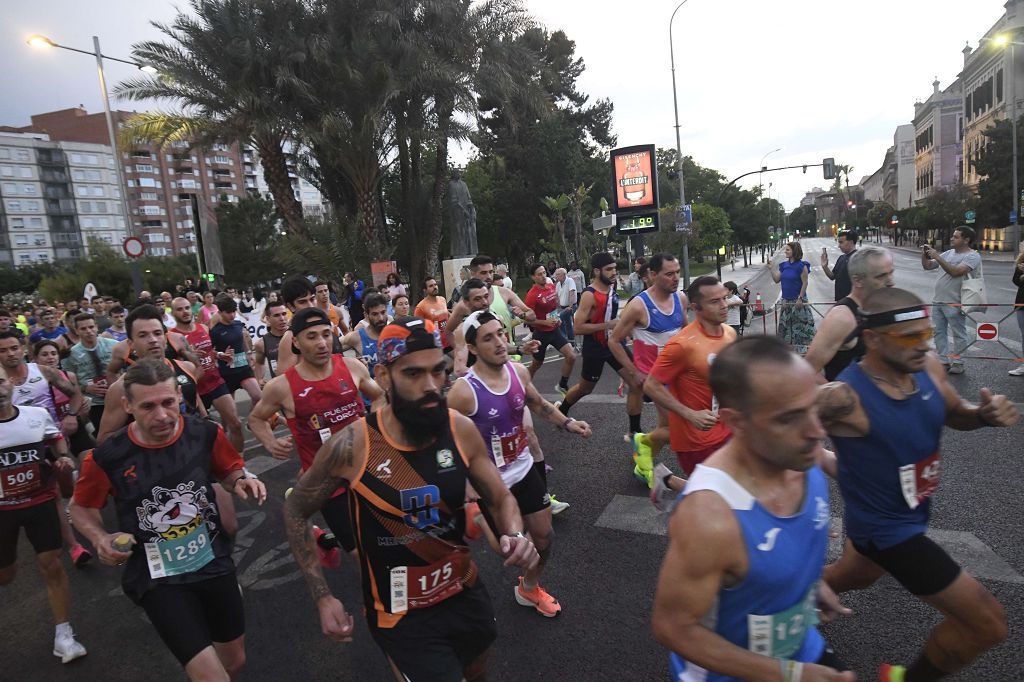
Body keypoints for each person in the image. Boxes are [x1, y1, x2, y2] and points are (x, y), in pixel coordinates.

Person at [282, 317, 539, 681]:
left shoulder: (459, 429)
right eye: (414, 374)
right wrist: (323, 596)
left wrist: (514, 533)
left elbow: (499, 497)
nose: (432, 386)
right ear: (384, 377)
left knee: (477, 669)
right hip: (399, 606)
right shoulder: (353, 445)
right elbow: (295, 510)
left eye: (439, 371)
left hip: (462, 587)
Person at [818, 287, 1018, 681]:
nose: (923, 345)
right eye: (909, 337)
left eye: (926, 334)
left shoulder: (926, 366)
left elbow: (955, 411)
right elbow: (781, 423)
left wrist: (983, 415)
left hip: (908, 513)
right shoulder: (846, 397)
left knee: (857, 574)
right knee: (987, 623)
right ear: (872, 339)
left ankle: (783, 597)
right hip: (888, 532)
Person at [651, 335, 854, 682]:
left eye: (812, 409)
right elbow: (674, 628)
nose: (816, 431)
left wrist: (809, 583)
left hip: (801, 649)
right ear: (736, 422)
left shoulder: (803, 457)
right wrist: (790, 674)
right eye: (789, 418)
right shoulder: (710, 517)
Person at [71, 360, 266, 680]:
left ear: (179, 395)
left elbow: (228, 471)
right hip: (157, 577)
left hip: (212, 561)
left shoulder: (204, 433)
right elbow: (80, 507)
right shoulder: (108, 456)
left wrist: (240, 481)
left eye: (167, 402)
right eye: (147, 406)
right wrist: (99, 537)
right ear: (127, 406)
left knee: (234, 662)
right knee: (212, 676)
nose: (161, 415)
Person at [449, 311, 592, 617]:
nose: (500, 342)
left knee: (544, 538)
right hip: (492, 483)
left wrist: (568, 423)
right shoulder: (464, 391)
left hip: (524, 468)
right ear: (472, 348)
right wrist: (464, 483)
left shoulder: (518, 372)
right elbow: (443, 440)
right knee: (516, 549)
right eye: (489, 338)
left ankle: (529, 587)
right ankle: (480, 521)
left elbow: (539, 404)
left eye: (501, 333)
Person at [249, 308, 384, 567]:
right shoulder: (283, 387)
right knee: (363, 557)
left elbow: (378, 397)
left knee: (386, 535)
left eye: (326, 334)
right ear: (296, 342)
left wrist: (374, 425)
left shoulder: (352, 368)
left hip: (367, 467)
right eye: (312, 336)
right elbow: (256, 418)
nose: (322, 343)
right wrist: (270, 442)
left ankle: (325, 540)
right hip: (327, 483)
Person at [0, 372, 88, 664]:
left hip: (39, 501)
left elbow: (56, 439)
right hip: (3, 511)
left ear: (10, 383)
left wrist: (62, 457)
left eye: (0, 381)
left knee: (51, 564)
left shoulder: (36, 415)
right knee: (6, 575)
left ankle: (64, 635)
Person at [644, 276, 737, 484]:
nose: (724, 306)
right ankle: (669, 483)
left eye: (724, 298)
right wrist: (690, 414)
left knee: (731, 494)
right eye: (715, 302)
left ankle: (667, 482)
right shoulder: (682, 345)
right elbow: (651, 385)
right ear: (696, 308)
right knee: (716, 499)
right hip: (696, 439)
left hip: (727, 429)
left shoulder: (730, 334)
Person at [609, 254, 688, 487]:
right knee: (677, 427)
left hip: (678, 374)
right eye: (669, 274)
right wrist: (634, 372)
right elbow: (614, 341)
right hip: (655, 377)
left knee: (667, 427)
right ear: (653, 275)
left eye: (677, 272)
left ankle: (643, 460)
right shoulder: (638, 305)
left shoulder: (680, 299)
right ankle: (643, 445)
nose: (676, 278)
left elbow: (684, 331)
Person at [557, 253, 643, 445]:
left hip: (614, 345)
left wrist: (623, 329)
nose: (613, 273)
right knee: (585, 389)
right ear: (597, 271)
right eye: (609, 269)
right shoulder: (589, 295)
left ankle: (635, 432)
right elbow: (578, 327)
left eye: (614, 268)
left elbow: (613, 318)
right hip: (595, 348)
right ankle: (561, 412)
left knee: (636, 383)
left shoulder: (612, 287)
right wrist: (608, 325)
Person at [805, 246, 895, 381]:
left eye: (891, 273)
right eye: (881, 276)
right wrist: (843, 396)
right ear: (857, 280)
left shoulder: (882, 308)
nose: (891, 282)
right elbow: (808, 371)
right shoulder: (842, 318)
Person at [168, 297, 246, 452]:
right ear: (173, 313)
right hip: (195, 389)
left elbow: (209, 350)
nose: (184, 312)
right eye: (179, 309)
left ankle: (238, 465)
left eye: (187, 308)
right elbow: (172, 365)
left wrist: (219, 355)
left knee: (236, 424)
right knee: (204, 436)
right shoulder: (172, 336)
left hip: (215, 381)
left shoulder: (203, 328)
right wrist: (187, 356)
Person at [921, 225, 981, 375]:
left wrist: (937, 256)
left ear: (966, 240)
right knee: (939, 332)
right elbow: (928, 266)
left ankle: (959, 362)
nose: (952, 238)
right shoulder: (948, 253)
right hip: (938, 300)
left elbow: (956, 272)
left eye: (956, 236)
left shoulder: (972, 256)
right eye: (953, 236)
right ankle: (943, 361)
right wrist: (925, 254)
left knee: (958, 333)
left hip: (956, 301)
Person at [523, 263, 577, 392]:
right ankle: (522, 385)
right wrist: (545, 322)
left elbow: (554, 308)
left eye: (544, 273)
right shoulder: (532, 295)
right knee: (536, 364)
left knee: (571, 356)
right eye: (539, 274)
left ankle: (562, 385)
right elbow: (528, 320)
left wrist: (556, 318)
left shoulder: (551, 286)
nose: (543, 276)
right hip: (541, 334)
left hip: (554, 331)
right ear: (533, 277)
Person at [61, 313, 118, 431]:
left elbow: (129, 371)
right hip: (93, 403)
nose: (88, 331)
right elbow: (68, 384)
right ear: (76, 331)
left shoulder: (114, 346)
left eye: (91, 327)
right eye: (83, 328)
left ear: (96, 327)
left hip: (117, 397)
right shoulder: (71, 354)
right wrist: (85, 388)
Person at [208, 294, 261, 407]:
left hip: (243, 368)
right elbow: (209, 351)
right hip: (227, 373)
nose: (232, 315)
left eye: (234, 312)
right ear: (221, 312)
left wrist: (249, 353)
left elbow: (242, 339)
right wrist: (220, 354)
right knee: (230, 411)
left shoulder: (238, 324)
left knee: (258, 397)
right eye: (228, 312)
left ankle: (252, 422)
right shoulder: (216, 331)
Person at [768, 241, 815, 354]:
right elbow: (776, 280)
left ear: (794, 251)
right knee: (786, 329)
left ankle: (803, 353)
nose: (786, 251)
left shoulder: (801, 266)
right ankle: (788, 353)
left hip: (798, 301)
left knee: (800, 330)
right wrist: (771, 268)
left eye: (788, 249)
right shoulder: (784, 265)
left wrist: (800, 298)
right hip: (786, 302)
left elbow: (805, 283)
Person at [340, 292, 389, 381]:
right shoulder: (357, 336)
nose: (381, 318)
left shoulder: (396, 333)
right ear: (366, 315)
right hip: (370, 393)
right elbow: (332, 347)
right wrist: (350, 365)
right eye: (375, 314)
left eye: (383, 312)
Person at [252, 299, 290, 384]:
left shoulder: (297, 336)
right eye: (276, 315)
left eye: (284, 314)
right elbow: (260, 364)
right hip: (280, 387)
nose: (282, 318)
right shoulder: (261, 344)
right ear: (268, 319)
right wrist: (259, 379)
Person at [414, 276, 452, 352]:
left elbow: (446, 314)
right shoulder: (421, 307)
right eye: (431, 286)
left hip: (449, 340)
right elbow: (417, 330)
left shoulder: (442, 299)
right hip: (435, 346)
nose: (435, 287)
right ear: (425, 290)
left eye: (435, 284)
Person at [820, 230, 858, 301]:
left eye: (841, 242)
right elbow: (832, 276)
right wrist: (825, 266)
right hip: (841, 300)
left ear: (851, 242)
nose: (839, 246)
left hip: (853, 301)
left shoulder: (858, 258)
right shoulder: (841, 258)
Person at [553, 267, 578, 347]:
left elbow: (572, 292)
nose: (556, 276)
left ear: (564, 275)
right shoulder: (558, 284)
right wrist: (557, 306)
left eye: (558, 274)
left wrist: (570, 306)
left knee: (559, 319)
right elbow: (556, 295)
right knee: (567, 323)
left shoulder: (570, 281)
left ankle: (565, 341)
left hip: (571, 306)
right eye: (556, 274)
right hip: (563, 307)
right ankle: (570, 342)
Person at [1012, 251, 1024, 376]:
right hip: (1022, 303)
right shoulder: (1022, 260)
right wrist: (1022, 275)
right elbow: (1016, 281)